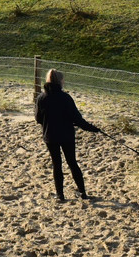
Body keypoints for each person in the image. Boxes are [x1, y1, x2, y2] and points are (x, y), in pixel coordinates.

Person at [34, 69, 101, 202]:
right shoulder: (65, 98)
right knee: (72, 163)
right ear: (60, 81)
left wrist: (48, 122)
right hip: (66, 135)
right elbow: (77, 119)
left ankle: (60, 195)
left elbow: (38, 118)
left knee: (56, 164)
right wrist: (93, 128)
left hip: (50, 135)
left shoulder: (41, 98)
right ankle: (83, 193)